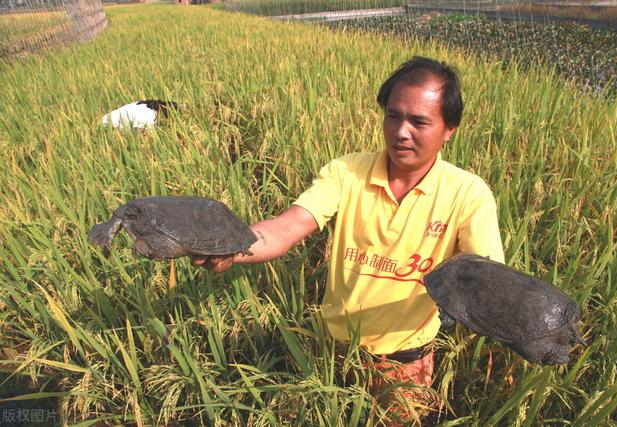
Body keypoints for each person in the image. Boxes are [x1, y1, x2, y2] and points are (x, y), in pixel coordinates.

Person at [193, 56, 504, 422]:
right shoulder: (347, 172)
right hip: (332, 352)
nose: (401, 132)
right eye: (393, 116)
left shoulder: (467, 194)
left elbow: (489, 281)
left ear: (449, 128)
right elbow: (288, 226)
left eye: (418, 121)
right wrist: (231, 245)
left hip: (404, 365)